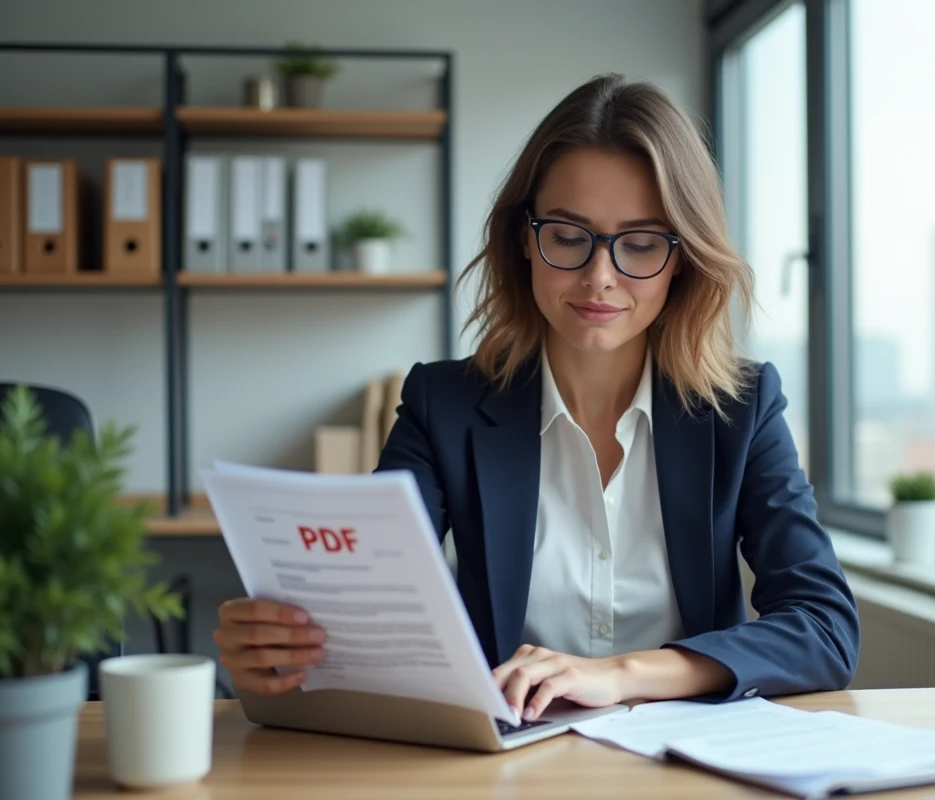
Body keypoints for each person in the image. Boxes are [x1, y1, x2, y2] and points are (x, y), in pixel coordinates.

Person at [213, 74, 859, 723]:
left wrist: (620, 674)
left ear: (682, 258)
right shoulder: (445, 405)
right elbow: (368, 617)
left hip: (688, 766)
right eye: (569, 236)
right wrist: (283, 652)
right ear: (525, 237)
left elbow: (824, 629)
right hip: (506, 766)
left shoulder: (741, 409)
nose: (599, 277)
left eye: (639, 243)